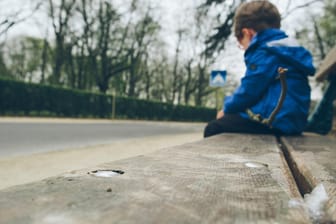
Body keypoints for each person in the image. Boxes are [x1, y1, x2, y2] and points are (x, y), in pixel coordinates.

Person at [204, 0, 315, 138]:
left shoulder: (265, 51)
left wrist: (226, 108)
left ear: (248, 33)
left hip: (273, 122)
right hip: (292, 123)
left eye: (241, 43)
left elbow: (249, 91)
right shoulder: (287, 50)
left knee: (214, 127)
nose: (243, 48)